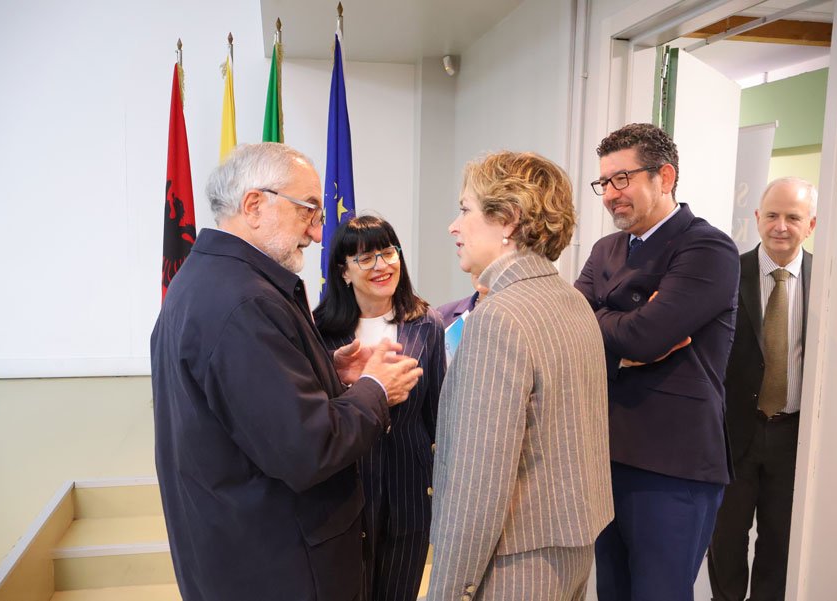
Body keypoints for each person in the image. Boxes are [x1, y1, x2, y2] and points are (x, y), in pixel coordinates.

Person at [150, 143, 424, 601]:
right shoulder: (245, 303)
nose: (317, 233)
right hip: (279, 566)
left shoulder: (204, 281)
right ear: (254, 205)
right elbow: (308, 449)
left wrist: (324, 372)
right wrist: (376, 388)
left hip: (238, 554)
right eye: (307, 210)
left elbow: (245, 404)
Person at [428, 151, 614, 601]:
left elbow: (478, 482)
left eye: (465, 209)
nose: (453, 226)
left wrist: (448, 590)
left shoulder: (500, 317)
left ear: (508, 219)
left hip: (513, 565)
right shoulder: (572, 301)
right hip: (570, 552)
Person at [574, 122, 741, 601]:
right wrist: (623, 339)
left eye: (621, 179)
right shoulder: (606, 249)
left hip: (673, 462)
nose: (610, 194)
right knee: (612, 591)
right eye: (604, 182)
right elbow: (571, 323)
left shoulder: (706, 247)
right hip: (606, 452)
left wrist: (612, 326)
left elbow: (645, 338)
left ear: (664, 177)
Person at [313, 215, 446, 601]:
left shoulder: (426, 324)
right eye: (366, 258)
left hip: (409, 492)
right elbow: (313, 416)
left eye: (388, 253)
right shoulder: (319, 331)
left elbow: (437, 417)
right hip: (345, 493)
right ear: (344, 272)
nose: (382, 266)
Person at [707, 177, 817, 601]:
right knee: (726, 540)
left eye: (793, 217)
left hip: (794, 436)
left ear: (811, 224)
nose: (780, 226)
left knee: (780, 543)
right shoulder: (728, 273)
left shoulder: (826, 280)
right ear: (757, 218)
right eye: (772, 215)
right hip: (735, 432)